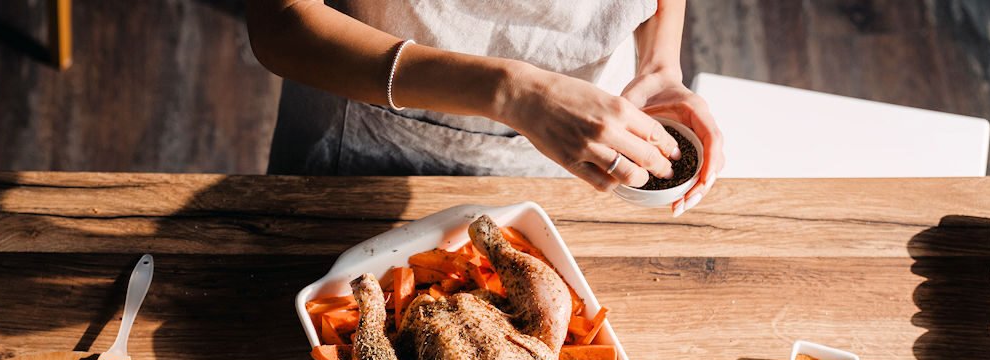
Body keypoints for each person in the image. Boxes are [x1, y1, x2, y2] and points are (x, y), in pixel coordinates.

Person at [245, 0, 723, 216]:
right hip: (369, 133)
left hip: (595, 129)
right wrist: (511, 92)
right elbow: (281, 24)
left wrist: (659, 64)